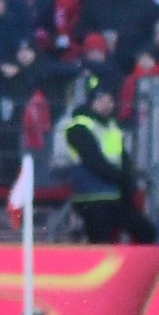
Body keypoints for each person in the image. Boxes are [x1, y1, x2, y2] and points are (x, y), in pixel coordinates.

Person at [64, 76, 156, 244]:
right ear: (92, 102)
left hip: (113, 193)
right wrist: (122, 178)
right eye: (102, 100)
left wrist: (127, 177)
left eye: (110, 100)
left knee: (146, 231)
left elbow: (122, 155)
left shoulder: (111, 125)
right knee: (100, 242)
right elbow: (93, 161)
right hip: (91, 195)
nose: (107, 104)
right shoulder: (79, 127)